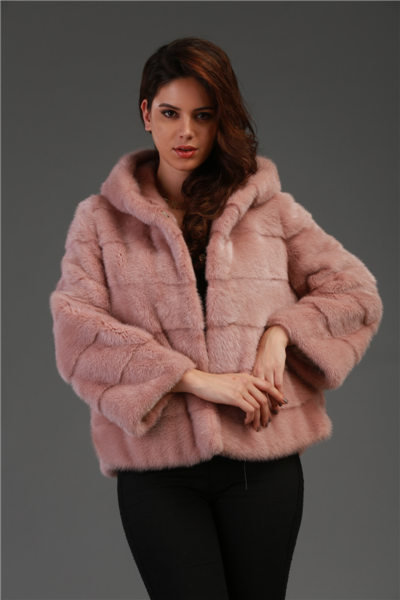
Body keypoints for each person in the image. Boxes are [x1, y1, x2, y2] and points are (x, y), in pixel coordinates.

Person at [49, 37, 384, 600]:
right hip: (158, 472)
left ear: (220, 120)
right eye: (170, 114)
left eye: (203, 116)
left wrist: (280, 334)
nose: (186, 132)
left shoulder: (269, 210)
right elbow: (76, 330)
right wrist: (194, 380)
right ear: (145, 114)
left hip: (262, 461)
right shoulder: (101, 221)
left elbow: (356, 293)